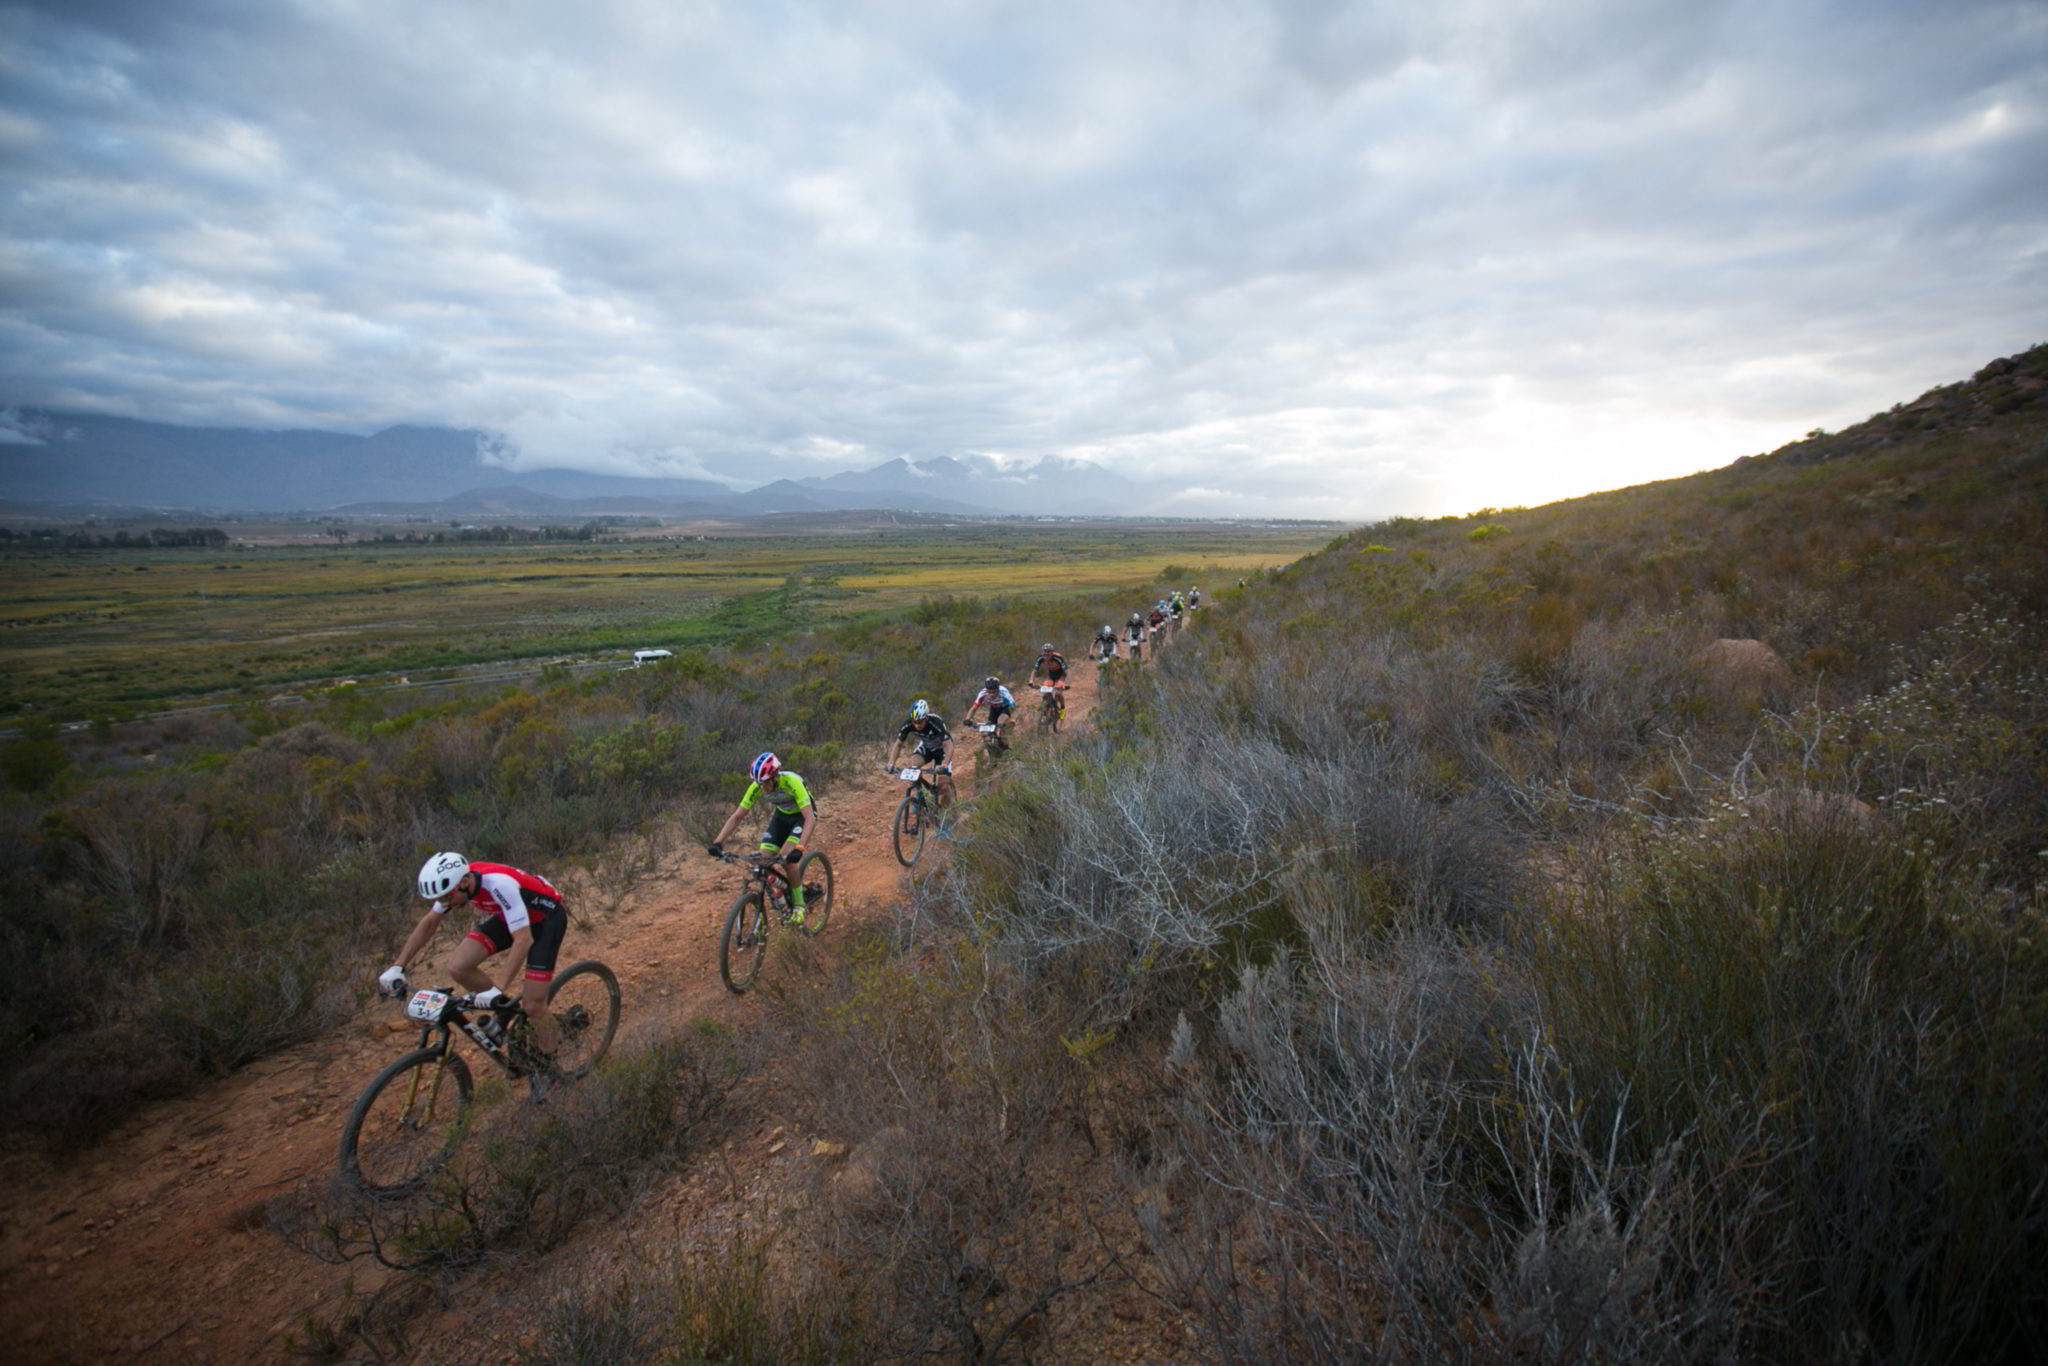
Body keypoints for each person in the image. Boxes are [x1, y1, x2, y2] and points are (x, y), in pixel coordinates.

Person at [380, 852, 569, 1091]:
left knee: (534, 1005)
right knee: (458, 967)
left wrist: (498, 989)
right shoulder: (455, 884)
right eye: (441, 899)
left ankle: (550, 1070)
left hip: (547, 920)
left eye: (447, 897)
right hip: (514, 915)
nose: (446, 903)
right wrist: (398, 966)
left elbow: (523, 939)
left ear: (464, 882)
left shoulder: (499, 884)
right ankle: (506, 1010)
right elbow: (429, 922)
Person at [708, 752, 824, 923]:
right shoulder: (756, 786)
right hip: (781, 817)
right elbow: (737, 816)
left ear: (775, 776)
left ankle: (800, 905)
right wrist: (718, 842)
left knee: (787, 859)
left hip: (802, 817)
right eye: (760, 784)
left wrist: (800, 848)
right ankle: (782, 892)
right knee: (762, 861)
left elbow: (810, 818)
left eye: (766, 783)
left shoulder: (792, 782)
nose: (763, 788)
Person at [886, 699, 956, 811]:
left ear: (926, 718)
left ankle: (946, 817)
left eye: (920, 722)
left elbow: (948, 745)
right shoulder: (908, 724)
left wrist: (945, 764)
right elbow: (898, 744)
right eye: (914, 722)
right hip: (926, 747)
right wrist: (891, 763)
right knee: (913, 768)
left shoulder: (936, 722)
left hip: (942, 750)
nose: (917, 725)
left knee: (944, 785)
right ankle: (920, 799)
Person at [964, 675, 1017, 747]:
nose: (991, 694)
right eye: (989, 692)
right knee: (988, 731)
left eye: (994, 692)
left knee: (1000, 724)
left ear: (998, 689)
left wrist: (1013, 719)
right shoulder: (983, 693)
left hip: (1005, 709)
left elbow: (1014, 707)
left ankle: (1007, 747)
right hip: (994, 709)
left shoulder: (1004, 692)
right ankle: (992, 748)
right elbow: (974, 708)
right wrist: (967, 719)